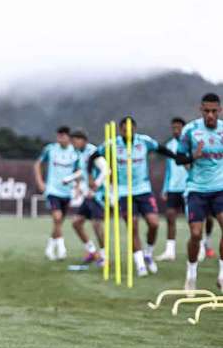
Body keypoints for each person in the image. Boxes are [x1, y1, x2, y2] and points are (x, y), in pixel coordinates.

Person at [91, 116, 182, 277]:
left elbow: (162, 149)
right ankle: (140, 264)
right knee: (132, 226)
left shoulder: (144, 141)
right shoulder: (112, 143)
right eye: (125, 129)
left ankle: (148, 253)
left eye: (131, 128)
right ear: (121, 130)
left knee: (154, 224)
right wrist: (92, 177)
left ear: (135, 128)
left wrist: (178, 158)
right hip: (124, 192)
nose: (128, 132)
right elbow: (92, 156)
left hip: (143, 190)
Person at [176, 93, 223, 292]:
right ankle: (191, 274)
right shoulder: (190, 131)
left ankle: (222, 274)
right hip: (196, 189)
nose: (210, 115)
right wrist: (193, 156)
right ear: (201, 110)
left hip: (220, 187)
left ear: (220, 110)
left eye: (214, 111)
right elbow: (179, 159)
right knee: (196, 234)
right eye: (207, 111)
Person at [65, 129, 108, 265]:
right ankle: (91, 251)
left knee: (97, 225)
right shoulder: (80, 153)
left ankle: (104, 256)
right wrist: (70, 178)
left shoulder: (93, 152)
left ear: (83, 140)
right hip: (88, 195)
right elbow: (82, 172)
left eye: (75, 141)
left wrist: (96, 184)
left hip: (99, 195)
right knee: (76, 222)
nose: (73, 144)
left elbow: (107, 169)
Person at [34, 126, 77, 261]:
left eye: (62, 136)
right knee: (57, 218)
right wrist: (40, 182)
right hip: (53, 190)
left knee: (58, 223)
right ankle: (62, 248)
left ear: (68, 137)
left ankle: (49, 248)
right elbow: (38, 164)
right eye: (58, 136)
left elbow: (79, 171)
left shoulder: (75, 151)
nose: (60, 139)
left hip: (67, 192)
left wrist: (79, 186)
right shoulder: (50, 149)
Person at [156, 117, 188, 261]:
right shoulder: (169, 146)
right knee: (170, 217)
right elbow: (169, 170)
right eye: (173, 128)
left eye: (178, 127)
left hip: (189, 187)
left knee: (195, 220)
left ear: (184, 128)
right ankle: (170, 251)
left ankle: (201, 247)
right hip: (173, 188)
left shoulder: (190, 143)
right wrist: (165, 188)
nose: (176, 130)